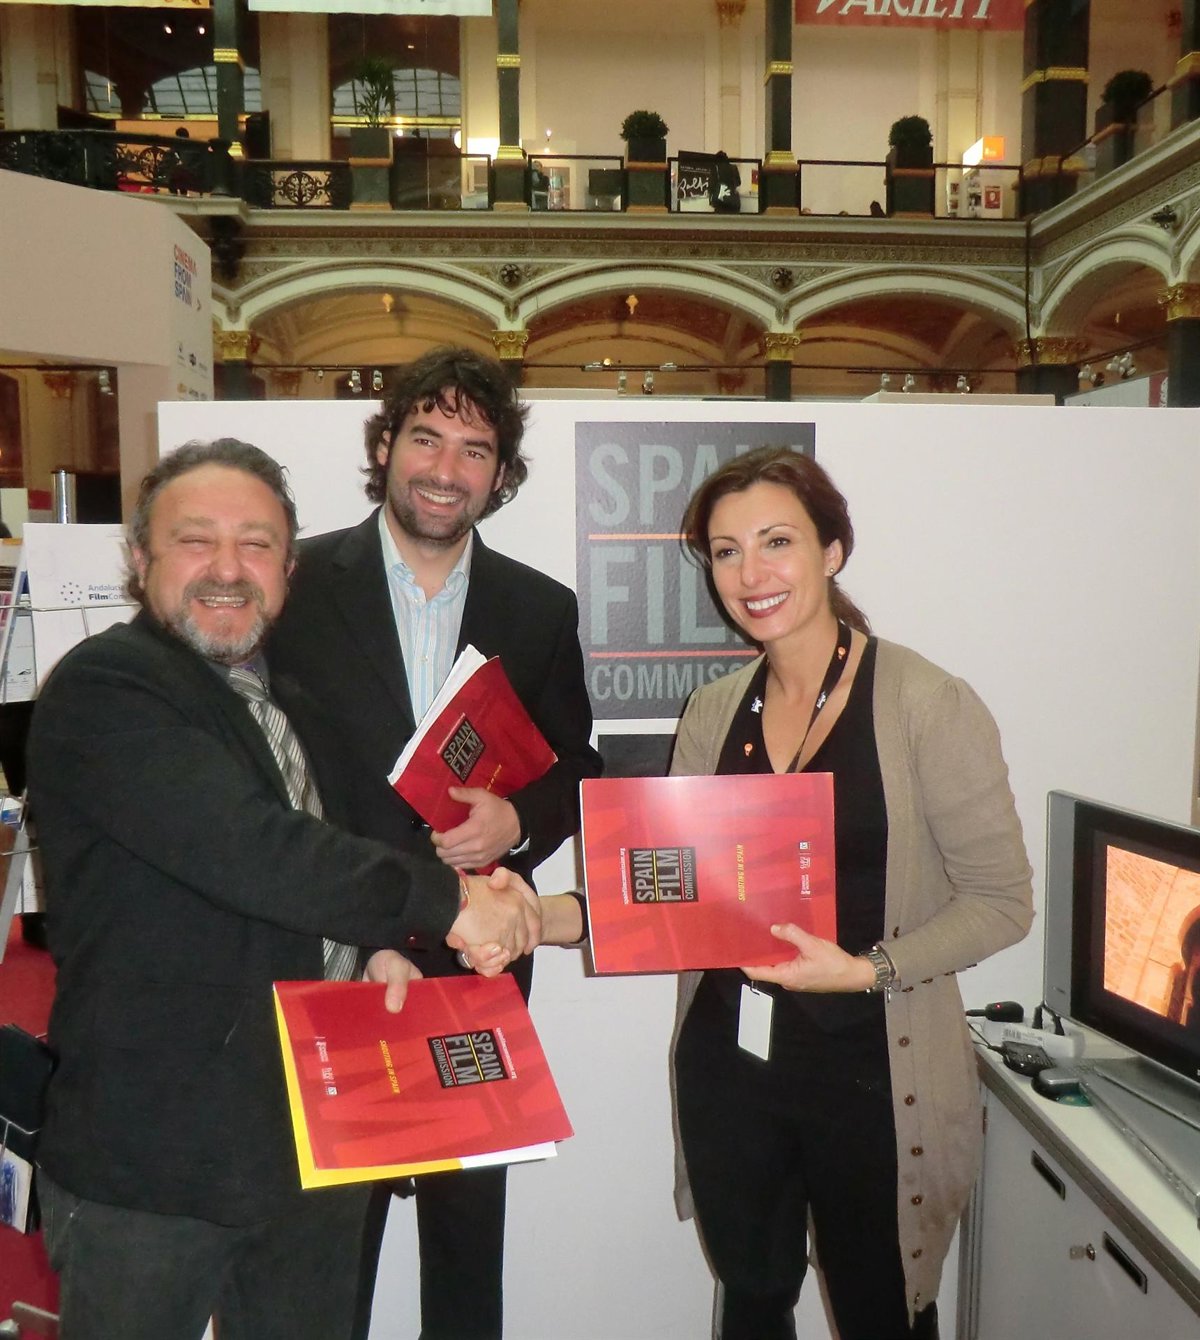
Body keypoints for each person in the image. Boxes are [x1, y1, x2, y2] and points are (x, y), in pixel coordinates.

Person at [28, 439, 539, 1340]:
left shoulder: (295, 699)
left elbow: (321, 859)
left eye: (257, 544)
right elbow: (254, 850)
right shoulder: (108, 687)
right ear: (141, 559)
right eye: (196, 540)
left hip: (312, 1142)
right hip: (155, 1161)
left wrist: (373, 951)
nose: (228, 569)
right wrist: (454, 904)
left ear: (287, 570)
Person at [269, 346, 601, 1338]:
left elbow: (577, 766)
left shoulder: (539, 609)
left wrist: (521, 819)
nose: (445, 470)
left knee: (466, 1262)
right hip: (337, 963)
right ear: (386, 445)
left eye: (474, 449)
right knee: (327, 1267)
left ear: (500, 474)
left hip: (478, 974)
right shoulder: (292, 585)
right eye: (426, 438)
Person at [668, 447, 1033, 1340]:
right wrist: (541, 914)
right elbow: (665, 888)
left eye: (777, 542)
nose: (751, 574)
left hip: (874, 1072)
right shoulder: (714, 710)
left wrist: (866, 969)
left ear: (832, 551)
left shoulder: (925, 703)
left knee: (884, 1314)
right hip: (734, 1063)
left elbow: (1002, 901)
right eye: (726, 552)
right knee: (752, 1303)